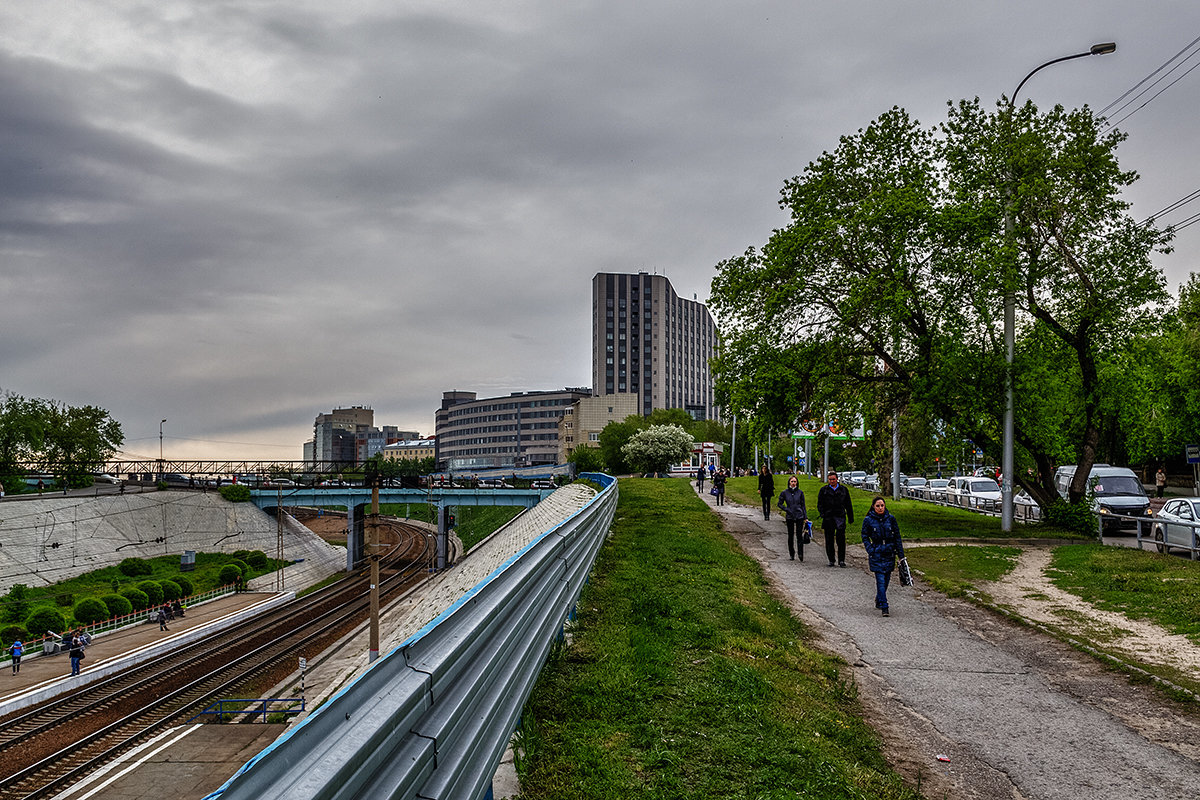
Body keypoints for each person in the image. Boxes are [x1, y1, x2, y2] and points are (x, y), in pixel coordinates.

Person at [861, 496, 905, 617]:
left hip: (889, 553)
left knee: (886, 580)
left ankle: (879, 598)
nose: (880, 508)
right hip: (876, 553)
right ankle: (885, 606)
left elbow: (897, 537)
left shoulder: (890, 519)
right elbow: (864, 535)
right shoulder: (869, 520)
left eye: (882, 506)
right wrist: (870, 549)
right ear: (873, 507)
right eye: (878, 506)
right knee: (880, 580)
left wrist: (901, 555)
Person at [817, 470, 854, 567]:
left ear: (837, 479)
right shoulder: (824, 490)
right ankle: (831, 560)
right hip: (828, 517)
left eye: (833, 479)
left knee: (841, 539)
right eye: (830, 479)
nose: (832, 481)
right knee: (829, 540)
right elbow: (820, 504)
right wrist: (822, 513)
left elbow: (848, 504)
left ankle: (841, 560)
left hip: (840, 516)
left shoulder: (843, 490)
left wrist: (850, 517)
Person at [777, 475, 809, 561]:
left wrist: (805, 517)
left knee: (799, 535)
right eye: (792, 482)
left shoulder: (800, 493)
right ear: (789, 483)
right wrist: (786, 509)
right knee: (790, 535)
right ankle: (791, 553)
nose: (793, 483)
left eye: (795, 482)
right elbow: (779, 504)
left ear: (797, 483)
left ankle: (800, 553)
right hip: (790, 516)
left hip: (799, 515)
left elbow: (803, 505)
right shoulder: (785, 492)